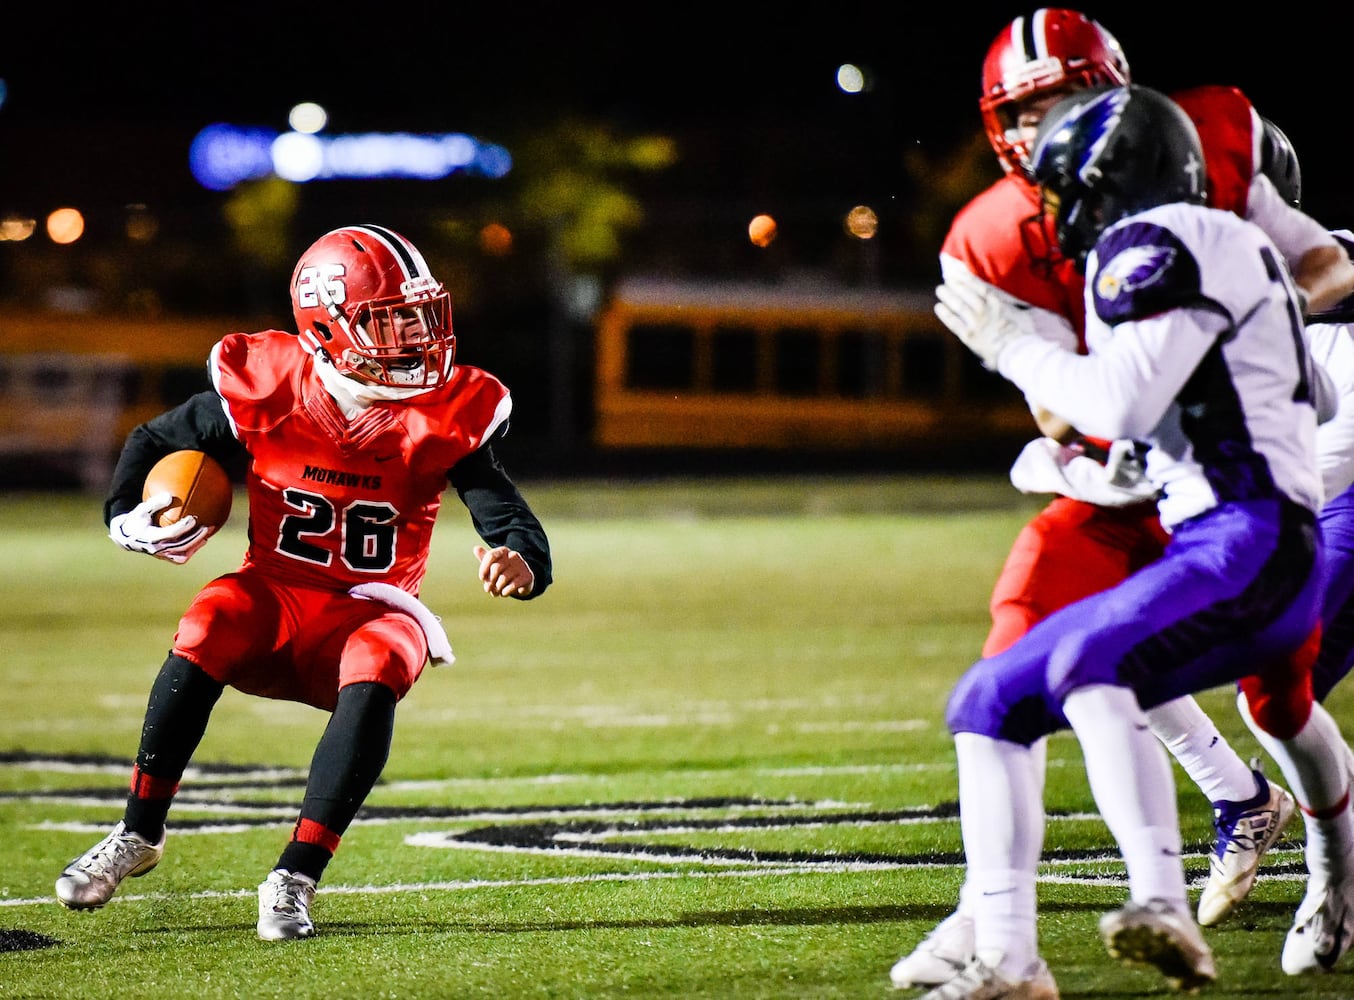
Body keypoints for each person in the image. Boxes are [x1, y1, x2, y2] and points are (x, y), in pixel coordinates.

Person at [890, 10, 1354, 990]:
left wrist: (1014, 349)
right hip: (1200, 516)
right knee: (998, 683)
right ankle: (1004, 941)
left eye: (1059, 118)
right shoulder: (1152, 251)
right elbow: (1115, 418)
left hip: (1250, 534)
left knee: (1106, 668)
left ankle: (1167, 895)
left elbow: (1117, 398)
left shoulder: (1167, 242)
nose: (1040, 146)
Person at [52, 224, 553, 941]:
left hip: (372, 609)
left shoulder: (443, 411)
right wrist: (125, 517)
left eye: (419, 315)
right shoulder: (271, 384)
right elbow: (154, 441)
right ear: (326, 325)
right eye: (390, 320)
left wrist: (521, 560)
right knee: (212, 613)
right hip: (275, 596)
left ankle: (295, 875)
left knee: (383, 653)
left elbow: (505, 510)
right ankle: (138, 832)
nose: (415, 335)